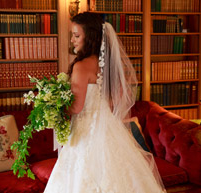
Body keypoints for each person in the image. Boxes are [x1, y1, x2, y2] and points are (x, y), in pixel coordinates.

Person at [44, 12, 166, 193]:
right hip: (109, 128)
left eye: (76, 35)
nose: (72, 40)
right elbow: (114, 101)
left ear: (91, 36)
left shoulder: (81, 66)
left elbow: (76, 107)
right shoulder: (108, 65)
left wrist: (54, 107)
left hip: (85, 133)